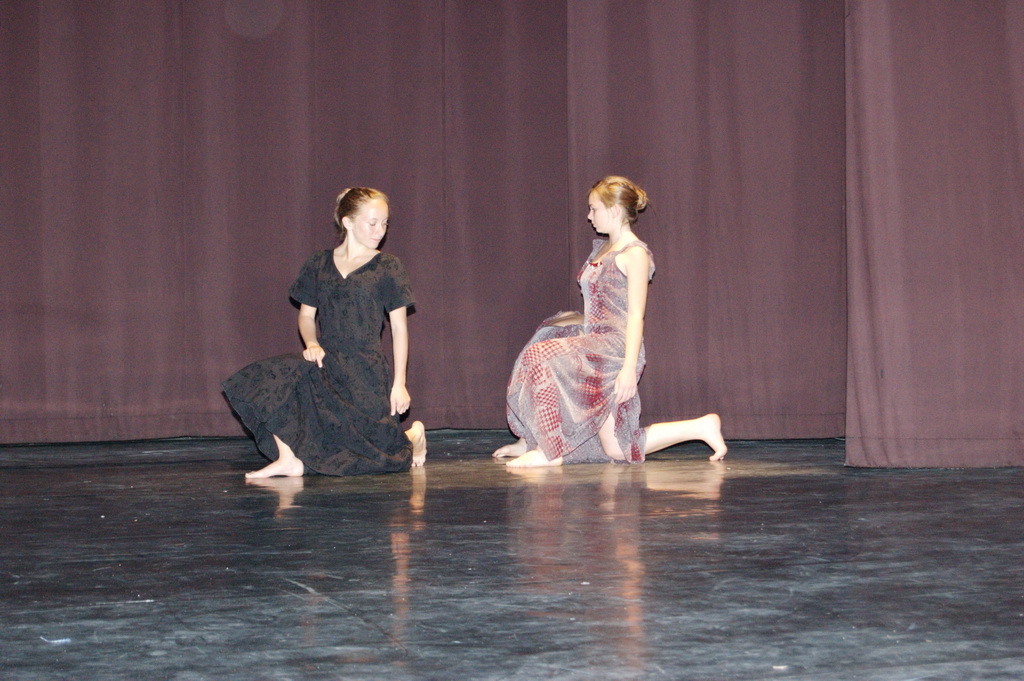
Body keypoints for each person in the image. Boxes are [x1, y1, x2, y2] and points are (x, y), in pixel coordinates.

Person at [493, 176, 727, 468]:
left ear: (614, 211)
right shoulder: (601, 250)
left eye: (594, 209)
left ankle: (547, 450)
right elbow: (600, 304)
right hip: (594, 343)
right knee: (615, 448)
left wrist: (628, 369)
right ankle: (703, 427)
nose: (589, 216)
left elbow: (635, 315)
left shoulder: (635, 254)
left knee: (542, 355)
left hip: (613, 350)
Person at [223, 187, 426, 477]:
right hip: (326, 361)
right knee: (275, 377)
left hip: (366, 370)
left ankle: (413, 435)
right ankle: (289, 458)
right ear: (348, 222)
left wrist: (399, 383)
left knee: (371, 455)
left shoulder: (387, 266)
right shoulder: (319, 264)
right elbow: (306, 316)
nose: (380, 230)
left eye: (384, 223)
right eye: (372, 223)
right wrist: (311, 343)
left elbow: (399, 328)